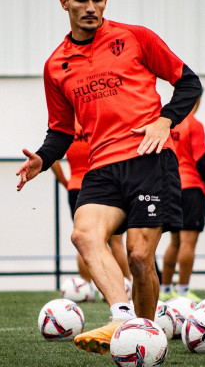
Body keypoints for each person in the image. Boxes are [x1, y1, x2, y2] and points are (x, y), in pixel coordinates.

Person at [16, 0, 202, 355]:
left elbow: (189, 82)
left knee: (138, 256)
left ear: (106, 1)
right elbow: (62, 129)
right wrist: (43, 160)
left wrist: (164, 121)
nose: (90, 8)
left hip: (149, 160)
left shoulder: (135, 37)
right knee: (83, 235)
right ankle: (122, 319)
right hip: (101, 167)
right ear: (64, 3)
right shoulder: (55, 65)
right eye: (81, 0)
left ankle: (146, 335)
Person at [50, 121, 132, 296]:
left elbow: (53, 158)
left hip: (76, 186)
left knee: (86, 239)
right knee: (116, 241)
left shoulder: (68, 127)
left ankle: (85, 288)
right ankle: (127, 286)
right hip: (102, 184)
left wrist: (65, 181)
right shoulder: (95, 123)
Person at [159, 99, 205, 303]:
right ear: (198, 99)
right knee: (188, 243)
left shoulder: (168, 124)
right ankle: (182, 291)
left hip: (170, 187)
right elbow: (200, 157)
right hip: (191, 187)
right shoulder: (194, 124)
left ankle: (165, 289)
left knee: (173, 241)